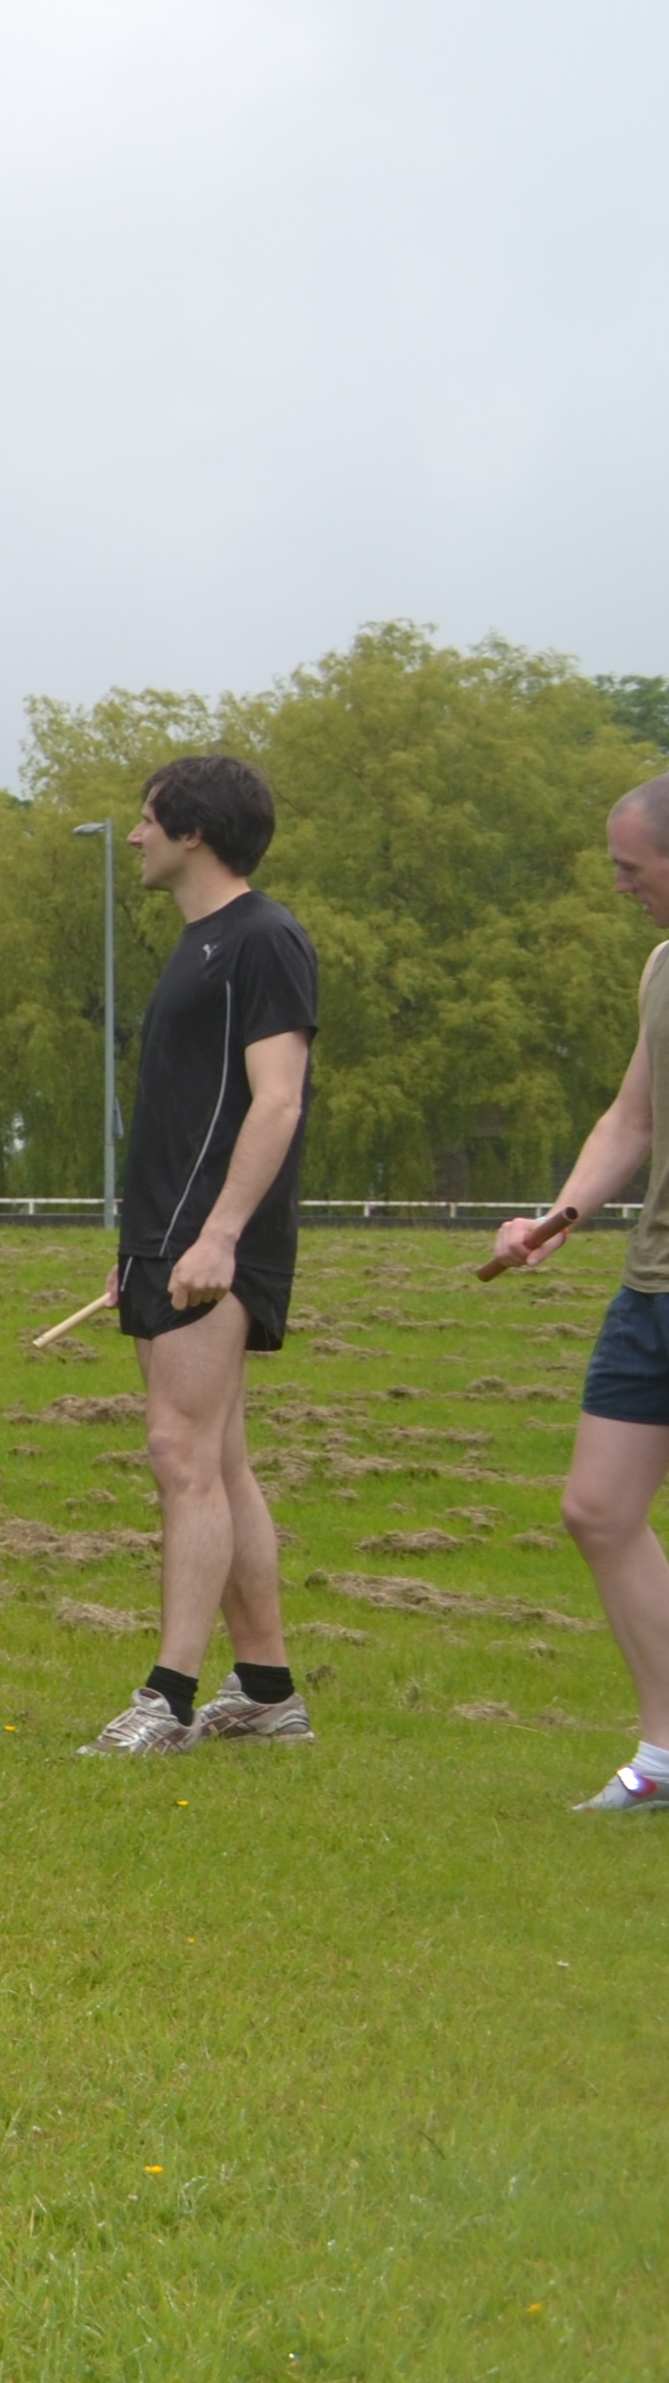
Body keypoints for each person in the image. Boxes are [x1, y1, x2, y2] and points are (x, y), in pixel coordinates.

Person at [82, 752, 320, 1757]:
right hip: (165, 1241)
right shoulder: (199, 943)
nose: (135, 836)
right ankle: (267, 1693)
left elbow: (278, 1100)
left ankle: (167, 1699)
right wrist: (139, 1250)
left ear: (194, 833)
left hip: (214, 1243)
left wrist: (218, 1235)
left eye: (147, 820)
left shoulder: (265, 938)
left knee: (179, 1453)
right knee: (216, 1457)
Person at [483, 772, 669, 1810]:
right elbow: (632, 1118)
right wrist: (557, 1216)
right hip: (652, 1285)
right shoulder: (662, 966)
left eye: (629, 868)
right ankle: (667, 1757)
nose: (619, 886)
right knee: (598, 1510)